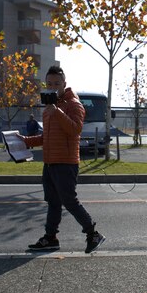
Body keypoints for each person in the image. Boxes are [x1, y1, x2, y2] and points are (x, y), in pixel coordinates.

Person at [18, 66, 105, 253]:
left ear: (64, 84)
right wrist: (25, 141)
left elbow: (75, 130)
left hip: (66, 163)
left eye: (56, 84)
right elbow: (46, 138)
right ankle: (50, 238)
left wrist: (56, 111)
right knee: (53, 202)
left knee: (69, 201)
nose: (52, 87)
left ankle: (93, 234)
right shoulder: (50, 108)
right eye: (49, 84)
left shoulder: (73, 104)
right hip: (50, 162)